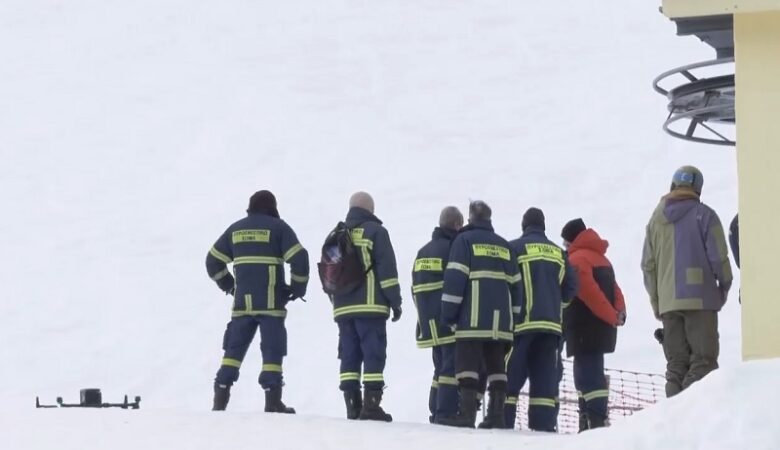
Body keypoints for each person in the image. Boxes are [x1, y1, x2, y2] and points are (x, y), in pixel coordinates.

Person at [206, 190, 309, 412]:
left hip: (243, 304)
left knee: (233, 352)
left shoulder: (236, 229)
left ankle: (220, 399)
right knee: (272, 351)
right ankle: (273, 402)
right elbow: (300, 259)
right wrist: (297, 289)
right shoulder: (279, 228)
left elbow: (212, 261)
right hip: (271, 303)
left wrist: (230, 286)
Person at [641, 166, 733, 397]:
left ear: (673, 185)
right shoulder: (705, 215)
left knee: (676, 366)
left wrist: (657, 302)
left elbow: (648, 266)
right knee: (704, 361)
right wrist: (725, 284)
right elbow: (718, 257)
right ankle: (690, 419)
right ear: (698, 189)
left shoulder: (655, 220)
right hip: (701, 300)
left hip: (668, 304)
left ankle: (673, 418)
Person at [438, 200, 522, 429]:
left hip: (472, 321)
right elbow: (517, 286)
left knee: (467, 367)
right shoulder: (505, 246)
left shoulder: (463, 241)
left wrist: (448, 315)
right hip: (501, 324)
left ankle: (466, 415)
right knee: (497, 368)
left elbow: (455, 280)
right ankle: (496, 416)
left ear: (470, 218)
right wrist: (514, 320)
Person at [329, 192, 402, 422]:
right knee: (373, 353)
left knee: (349, 356)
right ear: (370, 209)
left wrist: (337, 302)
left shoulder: (336, 234)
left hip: (342, 309)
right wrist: (395, 301)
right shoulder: (376, 232)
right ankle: (371, 407)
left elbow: (330, 274)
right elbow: (387, 270)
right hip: (370, 307)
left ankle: (352, 406)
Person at [505, 208, 577, 432]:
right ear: (544, 226)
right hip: (551, 329)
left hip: (521, 326)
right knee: (545, 385)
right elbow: (571, 288)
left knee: (510, 381)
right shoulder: (558, 252)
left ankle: (502, 426)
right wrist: (555, 305)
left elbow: (505, 284)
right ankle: (543, 431)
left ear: (523, 225)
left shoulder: (514, 248)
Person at [561, 218, 626, 431]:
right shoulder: (603, 260)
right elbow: (616, 290)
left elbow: (590, 294)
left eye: (565, 243)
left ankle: (593, 423)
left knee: (586, 376)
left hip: (584, 328)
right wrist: (619, 313)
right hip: (601, 330)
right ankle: (589, 420)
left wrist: (611, 315)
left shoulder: (577, 260)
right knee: (590, 373)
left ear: (572, 240)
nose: (564, 247)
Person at [411, 206, 464, 423]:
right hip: (448, 321)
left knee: (439, 369)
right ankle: (445, 413)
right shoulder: (453, 249)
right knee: (450, 369)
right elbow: (457, 284)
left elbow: (414, 289)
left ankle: (435, 409)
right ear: (457, 225)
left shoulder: (422, 252)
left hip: (429, 324)